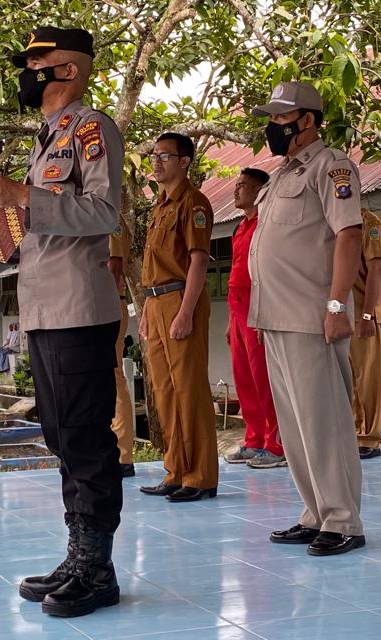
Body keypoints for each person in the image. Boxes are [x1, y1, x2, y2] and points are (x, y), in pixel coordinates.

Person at [0, 25, 124, 617]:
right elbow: (28, 241)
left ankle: (98, 567)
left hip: (78, 309)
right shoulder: (45, 139)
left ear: (69, 70)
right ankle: (81, 553)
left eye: (37, 64)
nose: (26, 75)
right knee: (62, 437)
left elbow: (105, 212)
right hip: (41, 308)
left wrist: (23, 198)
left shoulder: (92, 128)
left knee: (85, 437)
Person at [247, 81, 366, 557]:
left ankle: (343, 520)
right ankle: (315, 512)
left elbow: (349, 235)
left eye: (281, 118)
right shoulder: (280, 175)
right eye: (271, 118)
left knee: (324, 421)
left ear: (309, 120)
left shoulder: (332, 166)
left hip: (313, 315)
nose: (273, 127)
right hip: (275, 315)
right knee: (295, 424)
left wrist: (337, 306)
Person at [138, 132, 218, 502]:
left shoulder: (194, 203)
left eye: (165, 156)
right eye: (154, 156)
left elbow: (199, 260)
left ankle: (200, 476)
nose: (156, 162)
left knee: (189, 389)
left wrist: (186, 311)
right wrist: (146, 314)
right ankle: (176, 471)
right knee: (164, 392)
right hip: (155, 304)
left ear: (184, 162)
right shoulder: (160, 206)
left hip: (179, 298)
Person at [224, 168, 286, 469]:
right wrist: (230, 322)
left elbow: (270, 273)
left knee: (264, 377)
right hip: (237, 310)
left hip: (257, 306)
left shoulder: (266, 224)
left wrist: (264, 313)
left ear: (261, 191)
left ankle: (277, 444)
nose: (236, 191)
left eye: (243, 186)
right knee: (244, 377)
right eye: (236, 185)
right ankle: (255, 438)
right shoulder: (241, 226)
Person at [351, 208, 381, 460]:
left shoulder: (369, 224)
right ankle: (351, 433)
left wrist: (368, 315)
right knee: (347, 379)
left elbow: (376, 270)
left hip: (363, 314)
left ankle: (369, 437)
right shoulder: (333, 222)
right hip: (339, 312)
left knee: (367, 379)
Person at [108, 224, 136, 477]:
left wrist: (101, 303)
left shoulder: (111, 220)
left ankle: (122, 454)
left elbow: (115, 265)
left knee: (113, 376)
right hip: (100, 305)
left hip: (109, 304)